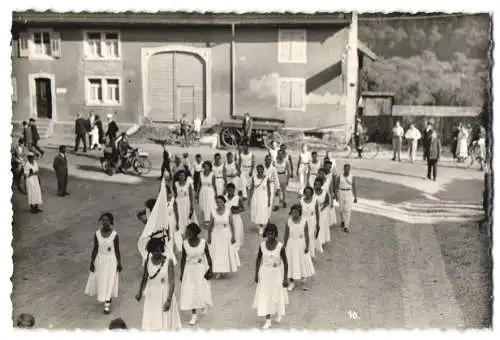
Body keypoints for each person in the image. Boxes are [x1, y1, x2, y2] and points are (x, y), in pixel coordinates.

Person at [136, 237, 181, 331]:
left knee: (165, 323)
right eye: (154, 251)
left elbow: (172, 282)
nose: (157, 253)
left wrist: (169, 300)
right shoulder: (147, 261)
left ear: (162, 249)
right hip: (152, 295)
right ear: (150, 251)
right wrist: (140, 292)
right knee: (152, 322)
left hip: (165, 294)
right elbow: (144, 278)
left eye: (159, 250)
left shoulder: (169, 262)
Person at [85, 212, 122, 315]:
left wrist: (119, 263)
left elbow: (117, 250)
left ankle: (107, 304)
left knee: (109, 281)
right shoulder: (97, 234)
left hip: (111, 261)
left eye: (107, 220)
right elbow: (95, 248)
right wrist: (92, 262)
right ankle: (105, 297)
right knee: (102, 281)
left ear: (111, 222)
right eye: (103, 220)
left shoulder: (115, 235)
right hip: (100, 260)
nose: (104, 222)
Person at [253, 223, 289, 329]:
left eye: (272, 234)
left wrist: (285, 278)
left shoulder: (280, 247)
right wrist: (256, 273)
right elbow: (258, 259)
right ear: (265, 234)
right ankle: (267, 319)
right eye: (268, 234)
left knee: (276, 295)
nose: (270, 236)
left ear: (275, 234)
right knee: (265, 296)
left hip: (276, 274)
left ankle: (278, 312)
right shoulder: (262, 245)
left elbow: (286, 263)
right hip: (264, 274)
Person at [179, 223, 213, 325]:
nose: (186, 232)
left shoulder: (203, 242)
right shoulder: (184, 244)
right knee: (190, 292)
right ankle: (194, 315)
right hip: (189, 271)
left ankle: (203, 304)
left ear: (193, 232)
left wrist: (211, 269)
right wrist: (181, 273)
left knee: (201, 290)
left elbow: (208, 256)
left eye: (188, 231)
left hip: (200, 270)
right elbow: (183, 260)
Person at [208, 196, 241, 279]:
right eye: (217, 202)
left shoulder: (228, 212)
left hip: (226, 234)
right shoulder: (213, 212)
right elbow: (210, 225)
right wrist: (209, 236)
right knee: (217, 252)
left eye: (220, 202)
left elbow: (232, 225)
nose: (219, 204)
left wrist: (233, 236)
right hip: (216, 234)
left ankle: (224, 270)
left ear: (224, 202)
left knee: (225, 252)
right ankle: (218, 271)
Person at [283, 205, 315, 291]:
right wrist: (284, 245)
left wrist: (307, 246)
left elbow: (307, 235)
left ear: (299, 213)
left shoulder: (304, 221)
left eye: (296, 212)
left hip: (301, 244)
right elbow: (286, 234)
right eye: (293, 212)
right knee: (291, 262)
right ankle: (291, 282)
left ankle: (302, 279)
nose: (294, 214)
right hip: (291, 245)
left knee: (302, 262)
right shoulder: (288, 221)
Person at [249, 164, 271, 235]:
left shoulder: (266, 178)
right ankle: (259, 225)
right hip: (255, 196)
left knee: (262, 212)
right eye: (258, 169)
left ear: (263, 170)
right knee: (256, 211)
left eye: (261, 169)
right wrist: (249, 198)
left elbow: (269, 189)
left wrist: (269, 199)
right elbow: (252, 188)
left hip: (264, 197)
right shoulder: (254, 177)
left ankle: (261, 227)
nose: (260, 171)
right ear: (257, 170)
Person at [335, 164, 358, 233]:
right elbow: (336, 186)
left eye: (348, 168)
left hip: (349, 193)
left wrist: (355, 197)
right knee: (341, 208)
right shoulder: (340, 176)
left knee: (348, 210)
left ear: (350, 169)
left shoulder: (352, 177)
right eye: (346, 168)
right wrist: (336, 195)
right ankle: (342, 220)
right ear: (343, 169)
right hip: (341, 192)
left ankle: (346, 226)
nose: (347, 170)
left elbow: (354, 186)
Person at [173, 170, 195, 236]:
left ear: (185, 176)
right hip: (179, 202)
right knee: (179, 215)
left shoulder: (188, 184)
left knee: (186, 215)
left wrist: (192, 205)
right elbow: (175, 194)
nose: (181, 177)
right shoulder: (176, 184)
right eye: (180, 175)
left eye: (183, 175)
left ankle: (187, 231)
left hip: (186, 202)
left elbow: (191, 195)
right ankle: (180, 230)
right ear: (178, 176)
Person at [300, 186, 320, 259]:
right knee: (303, 236)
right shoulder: (301, 201)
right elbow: (299, 212)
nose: (307, 194)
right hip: (303, 221)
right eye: (306, 192)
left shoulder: (315, 201)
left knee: (311, 237)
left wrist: (318, 224)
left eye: (309, 192)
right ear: (304, 193)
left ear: (312, 193)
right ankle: (303, 253)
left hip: (312, 221)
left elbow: (317, 213)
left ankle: (311, 254)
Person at [225, 183, 245, 249]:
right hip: (226, 217)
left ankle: (235, 246)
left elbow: (243, 208)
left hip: (236, 218)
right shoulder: (224, 197)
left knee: (236, 232)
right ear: (227, 190)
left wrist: (236, 211)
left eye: (231, 190)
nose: (230, 192)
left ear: (234, 190)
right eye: (228, 190)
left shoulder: (238, 198)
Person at [313, 178, 330, 254]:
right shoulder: (312, 192)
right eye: (316, 184)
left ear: (321, 185)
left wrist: (323, 207)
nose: (317, 185)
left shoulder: (324, 193)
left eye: (319, 184)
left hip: (322, 211)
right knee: (314, 226)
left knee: (321, 226)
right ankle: (314, 242)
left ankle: (321, 241)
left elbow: (327, 202)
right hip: (313, 211)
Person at [198, 161, 217, 227]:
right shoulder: (201, 174)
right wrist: (197, 193)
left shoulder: (212, 174)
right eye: (205, 166)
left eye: (207, 166)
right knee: (203, 206)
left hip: (210, 191)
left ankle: (208, 221)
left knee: (209, 205)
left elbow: (214, 185)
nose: (206, 168)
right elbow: (199, 184)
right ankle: (206, 220)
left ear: (210, 167)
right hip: (203, 191)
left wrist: (216, 194)